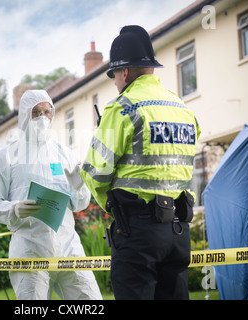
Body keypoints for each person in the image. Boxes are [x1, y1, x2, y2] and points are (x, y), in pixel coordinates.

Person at [80, 25, 201, 300]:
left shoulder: (121, 108)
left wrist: (113, 206)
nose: (114, 83)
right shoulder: (183, 109)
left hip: (138, 234)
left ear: (123, 72)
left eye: (114, 76)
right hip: (179, 231)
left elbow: (94, 173)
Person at [0, 90, 102, 300]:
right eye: (36, 112)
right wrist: (13, 209)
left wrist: (77, 187)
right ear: (24, 115)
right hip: (29, 249)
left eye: (47, 111)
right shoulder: (6, 156)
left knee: (90, 304)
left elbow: (80, 204)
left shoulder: (64, 153)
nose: (43, 117)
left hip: (68, 246)